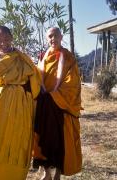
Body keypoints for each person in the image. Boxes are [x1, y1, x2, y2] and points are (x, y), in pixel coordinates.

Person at [0, 26, 41, 180]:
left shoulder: (21, 58)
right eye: (0, 40)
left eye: (6, 39)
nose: (3, 43)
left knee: (18, 147)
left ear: (12, 38)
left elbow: (34, 84)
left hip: (20, 111)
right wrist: (0, 93)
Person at [32, 27, 82, 180]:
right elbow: (36, 78)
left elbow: (72, 83)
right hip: (44, 103)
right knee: (43, 137)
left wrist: (55, 95)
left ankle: (58, 173)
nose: (52, 39)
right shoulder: (43, 56)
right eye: (49, 36)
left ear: (61, 36)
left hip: (60, 104)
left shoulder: (68, 57)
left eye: (55, 35)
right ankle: (46, 172)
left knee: (60, 140)